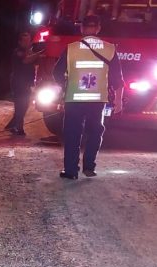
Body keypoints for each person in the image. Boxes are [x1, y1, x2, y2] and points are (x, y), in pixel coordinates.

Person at [53, 15, 124, 179]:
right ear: (98, 28)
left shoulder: (71, 48)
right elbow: (117, 79)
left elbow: (56, 73)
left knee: (72, 134)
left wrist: (65, 87)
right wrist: (119, 101)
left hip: (74, 99)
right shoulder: (110, 49)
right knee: (95, 132)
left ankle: (71, 171)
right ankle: (89, 166)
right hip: (97, 100)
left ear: (82, 28)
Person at [5, 32, 42, 136]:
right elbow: (26, 60)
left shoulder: (28, 52)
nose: (28, 42)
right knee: (20, 105)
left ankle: (13, 125)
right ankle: (18, 128)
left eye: (29, 40)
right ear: (20, 42)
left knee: (24, 105)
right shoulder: (18, 52)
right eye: (25, 40)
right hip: (18, 83)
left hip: (26, 83)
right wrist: (39, 53)